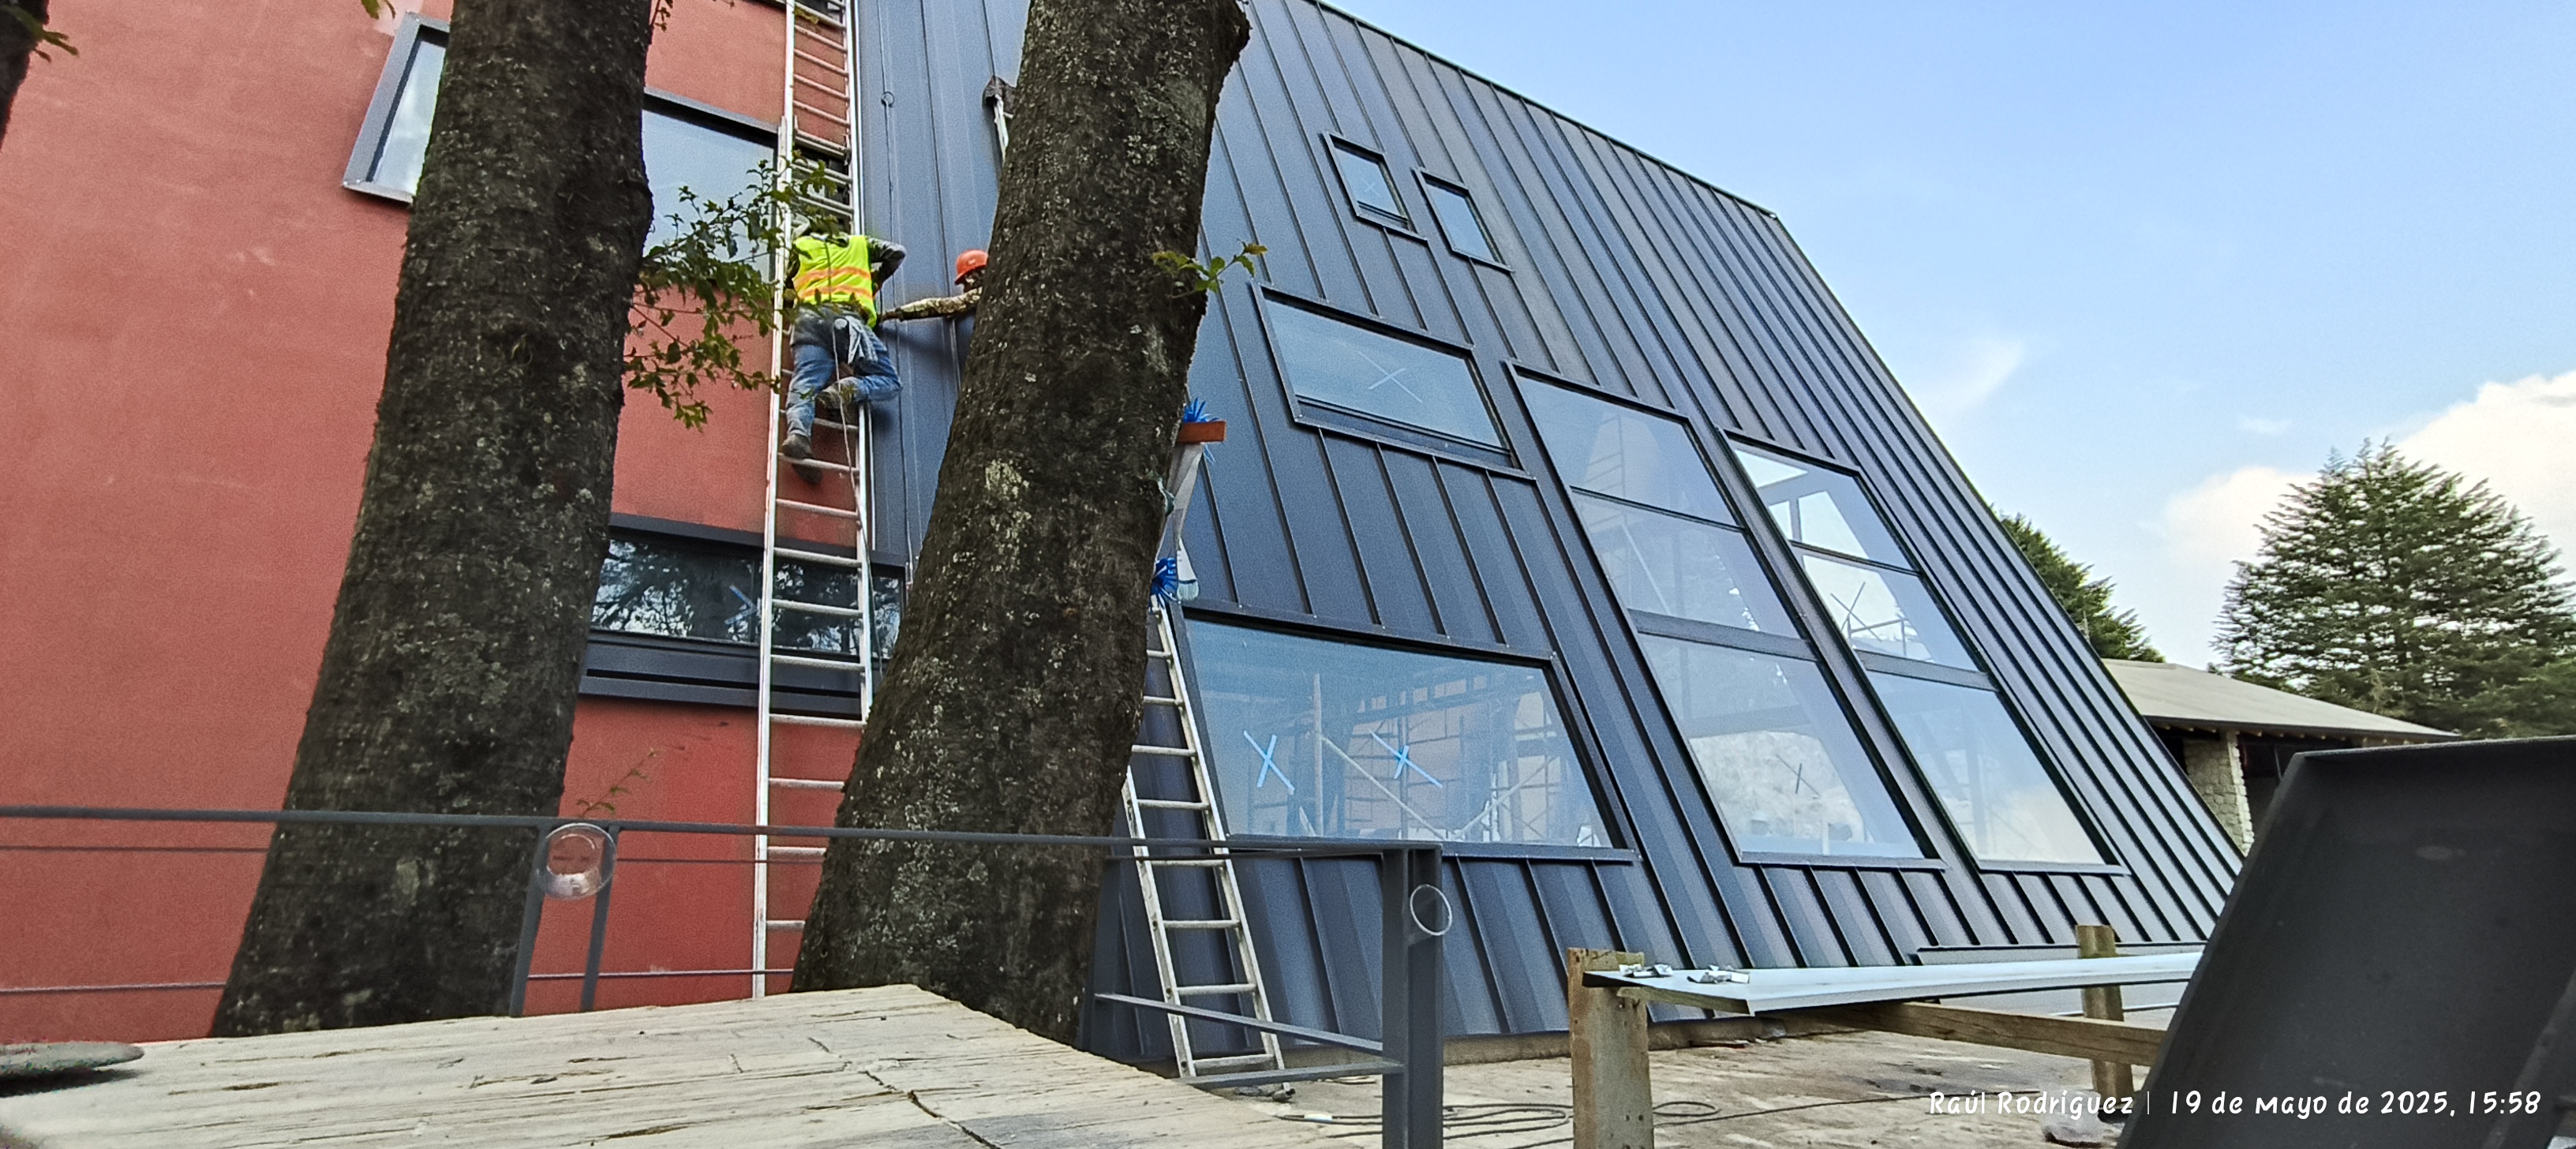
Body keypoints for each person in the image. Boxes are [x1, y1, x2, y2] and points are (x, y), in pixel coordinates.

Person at [781, 230, 906, 482]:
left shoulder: (801, 246)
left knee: (805, 383)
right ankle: (846, 388)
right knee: (889, 381)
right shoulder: (859, 244)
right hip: (847, 320)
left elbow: (787, 291)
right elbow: (897, 252)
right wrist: (876, 279)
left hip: (808, 321)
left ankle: (798, 435)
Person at [876, 249, 986, 324]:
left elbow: (935, 306)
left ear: (971, 277)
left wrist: (889, 315)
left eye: (965, 283)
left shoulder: (983, 293)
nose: (965, 290)